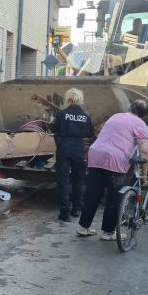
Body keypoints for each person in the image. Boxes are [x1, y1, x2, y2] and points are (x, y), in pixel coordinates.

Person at [77, 99, 148, 240]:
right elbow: (144, 151)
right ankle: (108, 232)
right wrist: (145, 175)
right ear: (144, 115)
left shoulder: (115, 116)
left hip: (96, 155)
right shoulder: (140, 123)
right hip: (115, 160)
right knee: (114, 197)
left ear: (130, 108)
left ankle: (83, 227)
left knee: (93, 194)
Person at [50, 88, 95, 222]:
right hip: (78, 150)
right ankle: (77, 209)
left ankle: (65, 212)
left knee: (63, 181)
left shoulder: (62, 114)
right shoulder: (85, 116)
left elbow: (53, 129)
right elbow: (91, 134)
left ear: (68, 99)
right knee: (78, 180)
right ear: (80, 100)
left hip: (64, 149)